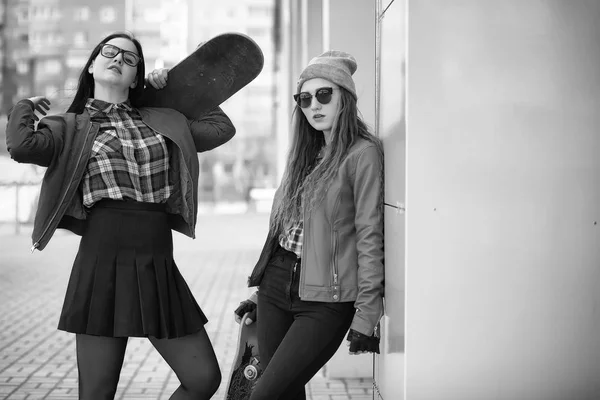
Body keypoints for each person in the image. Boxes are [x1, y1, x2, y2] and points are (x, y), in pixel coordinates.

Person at [5, 32, 235, 400]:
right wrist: (25, 106)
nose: (118, 60)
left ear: (137, 77)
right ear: (93, 64)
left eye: (130, 59)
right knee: (96, 393)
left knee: (203, 378)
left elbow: (221, 129)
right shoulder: (71, 125)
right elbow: (22, 146)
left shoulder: (164, 119)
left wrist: (174, 91)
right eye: (109, 53)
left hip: (158, 264)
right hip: (102, 264)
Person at [233, 50, 384, 400]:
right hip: (276, 289)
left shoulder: (363, 154)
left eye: (324, 95)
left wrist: (367, 315)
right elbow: (285, 232)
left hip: (326, 302)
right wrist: (260, 292)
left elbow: (369, 236)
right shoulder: (305, 153)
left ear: (344, 98)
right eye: (304, 98)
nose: (314, 105)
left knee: (263, 395)